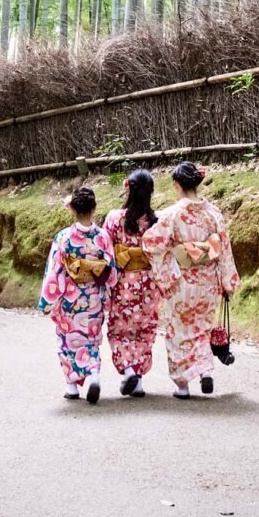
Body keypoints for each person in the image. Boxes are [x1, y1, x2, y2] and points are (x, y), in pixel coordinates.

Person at [142, 161, 240, 400]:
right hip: (207, 282)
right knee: (201, 327)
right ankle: (205, 370)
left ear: (177, 185)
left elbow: (150, 243)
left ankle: (182, 386)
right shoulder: (213, 213)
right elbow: (224, 249)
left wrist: (174, 254)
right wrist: (227, 281)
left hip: (182, 283)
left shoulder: (171, 214)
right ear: (198, 182)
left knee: (179, 331)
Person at [39, 185, 117, 404]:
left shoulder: (64, 238)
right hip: (93, 298)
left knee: (67, 340)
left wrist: (47, 301)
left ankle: (71, 386)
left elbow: (55, 271)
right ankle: (93, 374)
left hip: (70, 299)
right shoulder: (103, 237)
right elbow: (111, 272)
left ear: (72, 209)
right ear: (94, 208)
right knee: (90, 340)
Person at [103, 168, 160, 398]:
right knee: (144, 330)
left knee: (120, 330)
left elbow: (105, 250)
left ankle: (128, 371)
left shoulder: (115, 219)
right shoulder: (155, 221)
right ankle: (138, 381)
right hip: (148, 283)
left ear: (129, 188)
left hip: (124, 282)